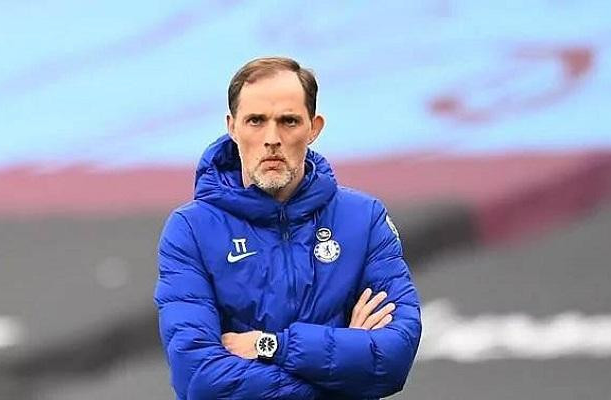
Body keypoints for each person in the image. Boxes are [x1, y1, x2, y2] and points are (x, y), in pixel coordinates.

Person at [154, 56, 421, 400]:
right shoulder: (190, 230)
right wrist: (345, 370)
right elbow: (201, 379)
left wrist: (272, 346)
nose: (272, 138)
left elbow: (394, 357)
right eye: (256, 121)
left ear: (314, 128)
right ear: (232, 127)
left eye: (288, 121)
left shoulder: (364, 219)